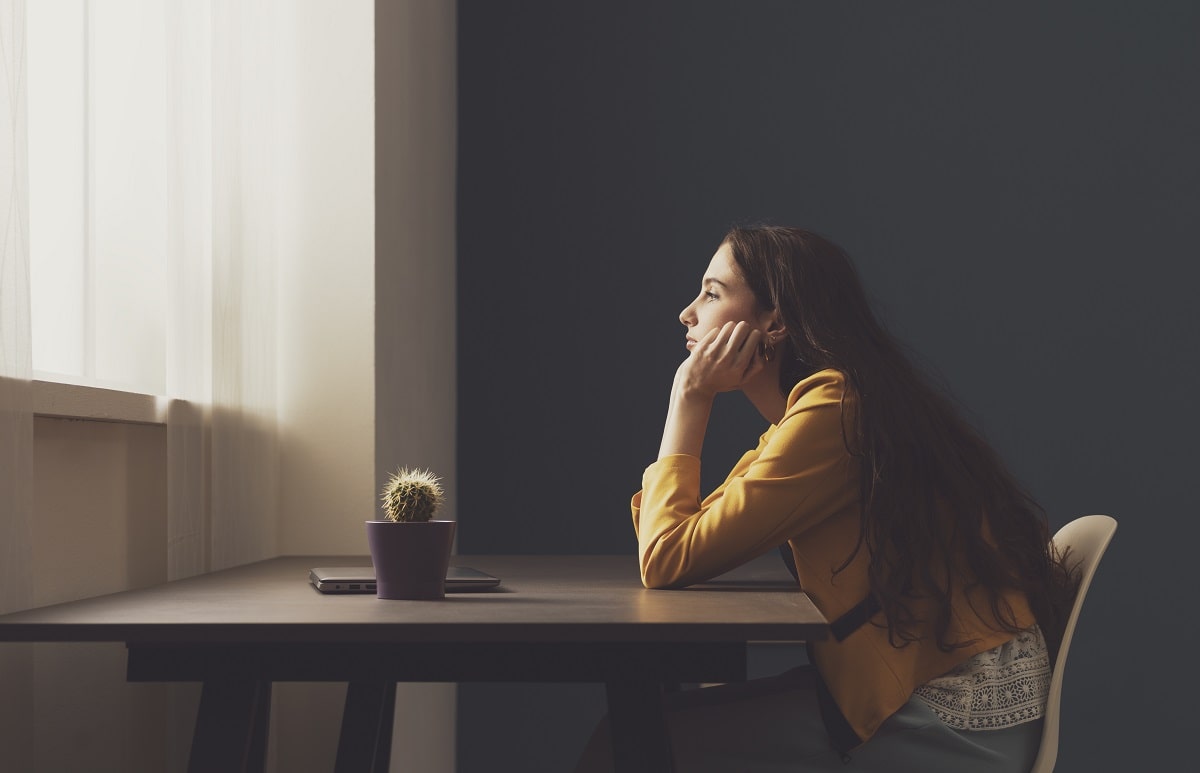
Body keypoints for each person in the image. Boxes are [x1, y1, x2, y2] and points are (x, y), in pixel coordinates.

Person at [575, 225, 1078, 772]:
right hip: (929, 693)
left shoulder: (836, 409)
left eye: (712, 293)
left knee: (624, 746)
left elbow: (665, 557)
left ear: (776, 321)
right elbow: (674, 535)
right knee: (633, 735)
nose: (687, 313)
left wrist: (689, 396)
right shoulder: (817, 412)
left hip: (950, 716)